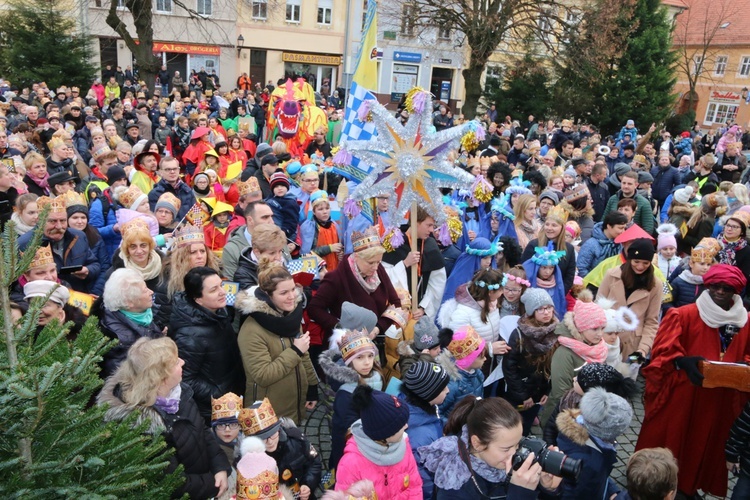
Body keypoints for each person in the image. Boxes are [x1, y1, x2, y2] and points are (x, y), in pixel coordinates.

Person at [635, 264, 750, 498]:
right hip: (684, 396)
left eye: (726, 288)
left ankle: (690, 487)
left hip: (721, 401)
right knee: (677, 443)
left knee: (705, 447)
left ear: (735, 292)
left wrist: (742, 366)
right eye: (714, 286)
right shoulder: (683, 314)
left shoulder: (746, 321)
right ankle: (663, 487)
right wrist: (681, 361)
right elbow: (662, 354)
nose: (719, 291)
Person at [97, 337, 231, 499]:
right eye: (175, 363)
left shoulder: (177, 393)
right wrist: (213, 484)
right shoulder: (142, 427)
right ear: (160, 378)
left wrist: (220, 466)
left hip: (202, 482)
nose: (182, 362)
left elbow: (201, 429)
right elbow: (170, 482)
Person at [420, 395, 563, 498]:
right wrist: (520, 494)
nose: (515, 454)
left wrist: (547, 489)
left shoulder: (508, 463)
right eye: (506, 449)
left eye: (518, 444)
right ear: (477, 443)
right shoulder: (454, 484)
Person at [235, 261, 318, 424]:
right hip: (267, 413)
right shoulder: (252, 330)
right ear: (267, 295)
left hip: (293, 406)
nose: (292, 296)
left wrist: (312, 387)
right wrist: (295, 351)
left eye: (293, 289)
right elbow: (262, 375)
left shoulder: (290, 316)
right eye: (284, 292)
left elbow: (304, 354)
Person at [170, 267, 245, 424]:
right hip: (214, 410)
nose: (222, 292)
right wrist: (220, 395)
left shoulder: (218, 313)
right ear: (198, 299)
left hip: (232, 396)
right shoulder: (189, 336)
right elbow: (186, 379)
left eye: (221, 285)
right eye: (213, 290)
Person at [308, 226, 403, 349]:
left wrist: (378, 328)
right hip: (346, 346)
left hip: (374, 342)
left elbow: (395, 303)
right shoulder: (336, 278)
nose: (375, 267)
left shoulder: (379, 270)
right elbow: (314, 309)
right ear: (357, 257)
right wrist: (339, 326)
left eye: (378, 262)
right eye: (370, 262)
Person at [334, 385, 423, 498]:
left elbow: (415, 485)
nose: (406, 426)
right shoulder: (351, 464)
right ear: (383, 434)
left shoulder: (404, 443)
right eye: (400, 426)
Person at [539, 291, 609, 428]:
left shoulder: (597, 347)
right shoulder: (565, 353)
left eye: (602, 328)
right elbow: (561, 393)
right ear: (581, 328)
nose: (600, 334)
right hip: (563, 418)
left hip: (587, 412)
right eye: (594, 329)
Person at [319, 327, 383, 473]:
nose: (367, 362)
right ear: (348, 361)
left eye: (370, 356)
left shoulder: (377, 377)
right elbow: (347, 430)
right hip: (351, 447)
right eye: (359, 357)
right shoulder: (344, 393)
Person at [556, 388, 633, 499]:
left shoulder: (578, 428)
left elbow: (599, 477)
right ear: (610, 432)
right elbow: (572, 494)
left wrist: (611, 490)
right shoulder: (590, 462)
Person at [239, 398, 323, 499]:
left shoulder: (297, 442)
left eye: (273, 434)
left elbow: (314, 463)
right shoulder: (246, 462)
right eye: (263, 439)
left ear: (279, 429)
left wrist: (308, 484)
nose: (270, 442)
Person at [503, 288, 560, 435]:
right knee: (513, 425)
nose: (546, 312)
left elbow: (556, 366)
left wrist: (548, 391)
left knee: (527, 424)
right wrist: (523, 395)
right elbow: (510, 368)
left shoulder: (557, 331)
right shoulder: (519, 335)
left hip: (540, 391)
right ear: (531, 312)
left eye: (548, 307)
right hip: (520, 391)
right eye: (540, 309)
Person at [17, 196, 100, 294]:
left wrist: (88, 271)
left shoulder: (79, 237)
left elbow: (95, 264)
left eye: (63, 221)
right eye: (52, 221)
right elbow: (14, 284)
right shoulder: (24, 244)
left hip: (78, 299)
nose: (59, 226)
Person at [597, 239, 663, 360]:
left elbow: (651, 321)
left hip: (634, 344)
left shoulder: (656, 285)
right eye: (636, 261)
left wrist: (643, 349)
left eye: (645, 263)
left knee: (628, 376)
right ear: (629, 259)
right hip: (607, 339)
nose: (640, 266)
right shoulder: (611, 275)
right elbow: (597, 308)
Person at [398, 361, 451, 500]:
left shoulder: (424, 406)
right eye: (443, 388)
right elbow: (423, 480)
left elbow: (435, 419)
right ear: (428, 393)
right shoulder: (419, 436)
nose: (448, 390)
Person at [382, 206, 446, 320]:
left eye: (433, 226)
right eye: (429, 225)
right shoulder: (394, 243)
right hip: (394, 312)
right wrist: (404, 264)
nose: (432, 230)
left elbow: (437, 284)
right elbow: (382, 278)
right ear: (416, 223)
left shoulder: (431, 246)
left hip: (419, 315)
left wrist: (424, 307)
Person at [107, 217, 171, 331]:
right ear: (127, 249)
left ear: (150, 246)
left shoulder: (166, 269)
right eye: (133, 246)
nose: (139, 251)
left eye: (143, 245)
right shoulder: (114, 275)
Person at [98, 268, 163, 379]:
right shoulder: (120, 339)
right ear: (129, 303)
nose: (151, 292)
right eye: (144, 290)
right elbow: (130, 381)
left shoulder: (141, 314)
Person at [519, 205, 576, 293]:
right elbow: (523, 270)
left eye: (554, 225)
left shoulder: (569, 249)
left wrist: (559, 293)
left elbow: (569, 276)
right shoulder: (534, 245)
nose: (549, 228)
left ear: (562, 228)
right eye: (547, 224)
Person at [437, 325, 486, 423]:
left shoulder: (478, 374)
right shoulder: (452, 385)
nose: (485, 359)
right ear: (469, 359)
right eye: (481, 357)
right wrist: (454, 427)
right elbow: (438, 413)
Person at [164, 223, 222, 299]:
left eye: (202, 251)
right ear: (181, 257)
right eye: (193, 252)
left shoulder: (217, 274)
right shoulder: (167, 282)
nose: (200, 256)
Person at [300, 190, 343, 272]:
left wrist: (341, 253)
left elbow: (339, 245)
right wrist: (329, 248)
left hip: (335, 269)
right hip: (318, 272)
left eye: (327, 208)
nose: (325, 212)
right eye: (320, 209)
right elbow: (306, 254)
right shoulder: (308, 227)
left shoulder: (334, 225)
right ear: (314, 211)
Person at [577, 212, 628, 277]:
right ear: (609, 226)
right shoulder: (591, 244)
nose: (623, 232)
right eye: (620, 228)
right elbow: (581, 268)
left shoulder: (621, 244)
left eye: (624, 228)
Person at [665, 244, 714, 310]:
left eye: (708, 264)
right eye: (702, 264)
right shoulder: (678, 282)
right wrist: (675, 313)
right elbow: (666, 302)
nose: (705, 267)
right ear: (691, 264)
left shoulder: (709, 284)